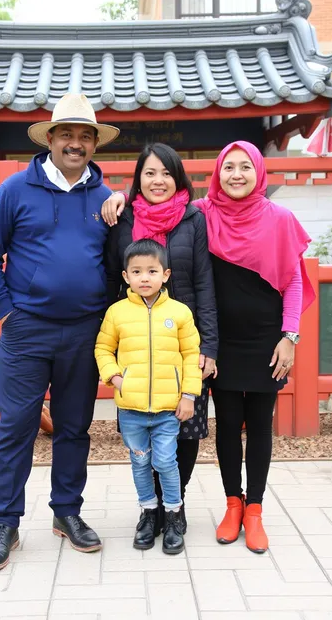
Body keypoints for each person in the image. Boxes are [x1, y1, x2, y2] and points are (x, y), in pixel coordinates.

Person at [102, 140, 315, 554]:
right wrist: (113, 195)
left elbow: (289, 279)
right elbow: (130, 244)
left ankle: (249, 510)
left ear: (258, 171)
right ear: (216, 174)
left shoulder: (267, 218)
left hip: (245, 339)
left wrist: (290, 337)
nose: (236, 175)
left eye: (245, 167)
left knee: (243, 427)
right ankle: (218, 505)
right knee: (220, 427)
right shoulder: (201, 213)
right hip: (191, 341)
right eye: (228, 167)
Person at [0, 93, 120, 570]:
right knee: (15, 427)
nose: (75, 143)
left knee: (75, 428)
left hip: (84, 331)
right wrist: (7, 312)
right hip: (26, 329)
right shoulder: (17, 190)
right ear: (50, 139)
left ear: (94, 144)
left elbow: (121, 259)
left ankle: (67, 513)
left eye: (84, 136)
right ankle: (5, 522)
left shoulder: (105, 199)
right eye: (67, 135)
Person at [103, 143, 218, 533]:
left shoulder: (193, 218)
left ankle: (175, 506)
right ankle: (148, 509)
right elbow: (109, 278)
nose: (158, 181)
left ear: (178, 177)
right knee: (140, 434)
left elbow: (205, 283)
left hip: (182, 344)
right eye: (149, 173)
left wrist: (210, 347)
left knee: (184, 431)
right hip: (135, 341)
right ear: (137, 178)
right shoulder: (121, 217)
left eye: (166, 173)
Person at [95, 239, 202, 554]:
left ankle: (172, 515)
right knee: (140, 463)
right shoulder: (117, 313)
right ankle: (148, 513)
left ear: (165, 274)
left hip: (169, 408)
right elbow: (103, 347)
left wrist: (189, 396)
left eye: (152, 271)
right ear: (126, 276)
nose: (145, 277)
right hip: (131, 409)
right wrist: (114, 375)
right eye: (137, 271)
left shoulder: (179, 313)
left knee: (166, 462)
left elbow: (190, 354)